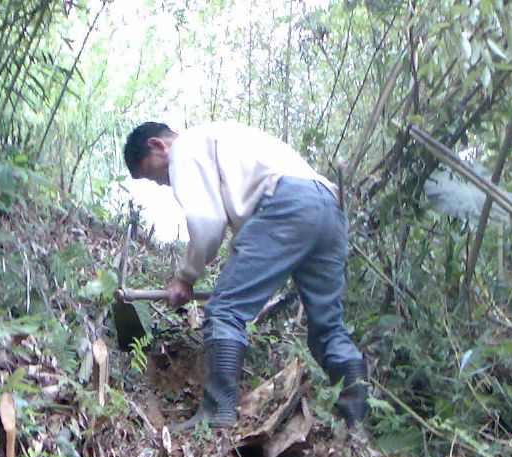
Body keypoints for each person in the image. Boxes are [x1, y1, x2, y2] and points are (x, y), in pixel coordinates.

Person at [123, 120, 368, 430]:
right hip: (330, 207)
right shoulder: (225, 137)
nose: (161, 182)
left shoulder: (185, 148)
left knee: (225, 310)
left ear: (159, 145)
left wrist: (185, 277)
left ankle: (217, 413)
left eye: (154, 173)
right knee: (329, 326)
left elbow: (208, 223)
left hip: (287, 205)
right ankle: (354, 425)